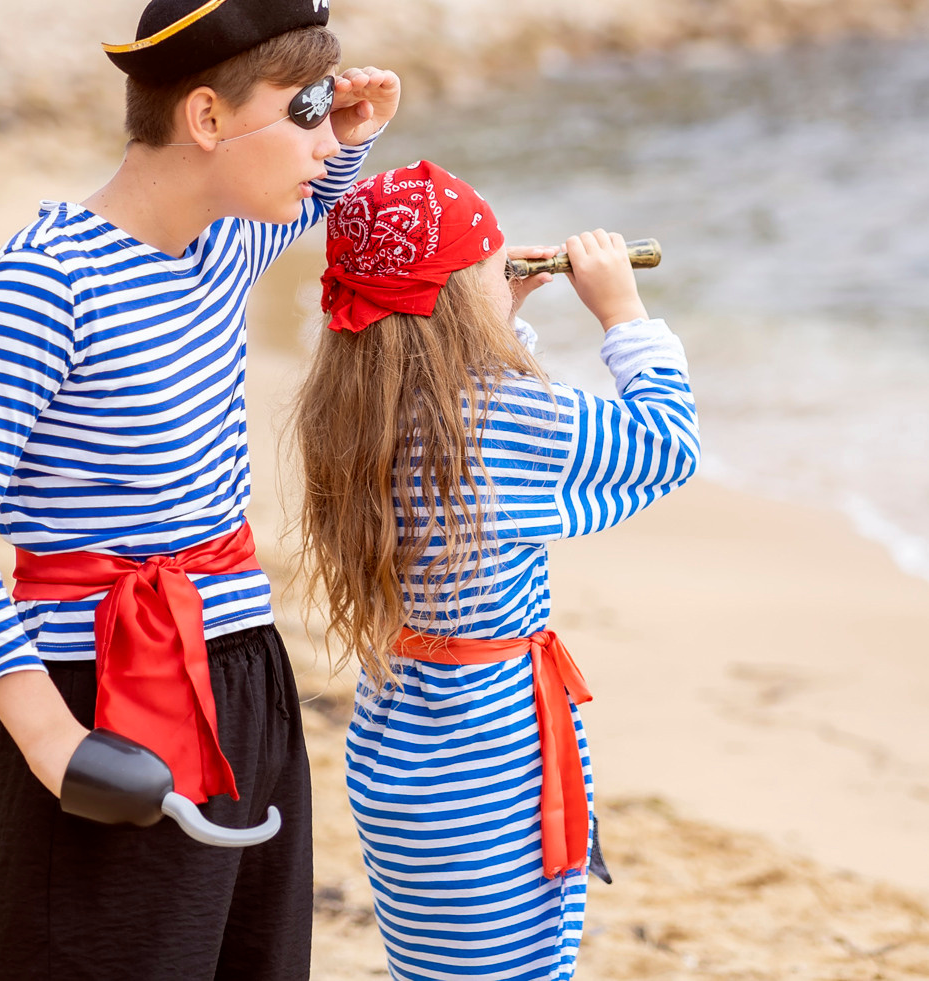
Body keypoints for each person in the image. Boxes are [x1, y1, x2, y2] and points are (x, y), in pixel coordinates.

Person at [0, 0, 396, 980]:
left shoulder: (220, 241)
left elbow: (307, 198)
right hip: (104, 690)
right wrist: (47, 738)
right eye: (298, 108)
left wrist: (338, 134)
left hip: (243, 665)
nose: (319, 141)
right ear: (205, 118)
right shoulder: (44, 283)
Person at [293, 160, 700, 981]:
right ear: (462, 296)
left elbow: (466, 392)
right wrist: (621, 312)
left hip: (401, 746)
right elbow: (667, 441)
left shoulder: (356, 403)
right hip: (494, 756)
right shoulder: (500, 416)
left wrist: (490, 317)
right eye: (490, 265)